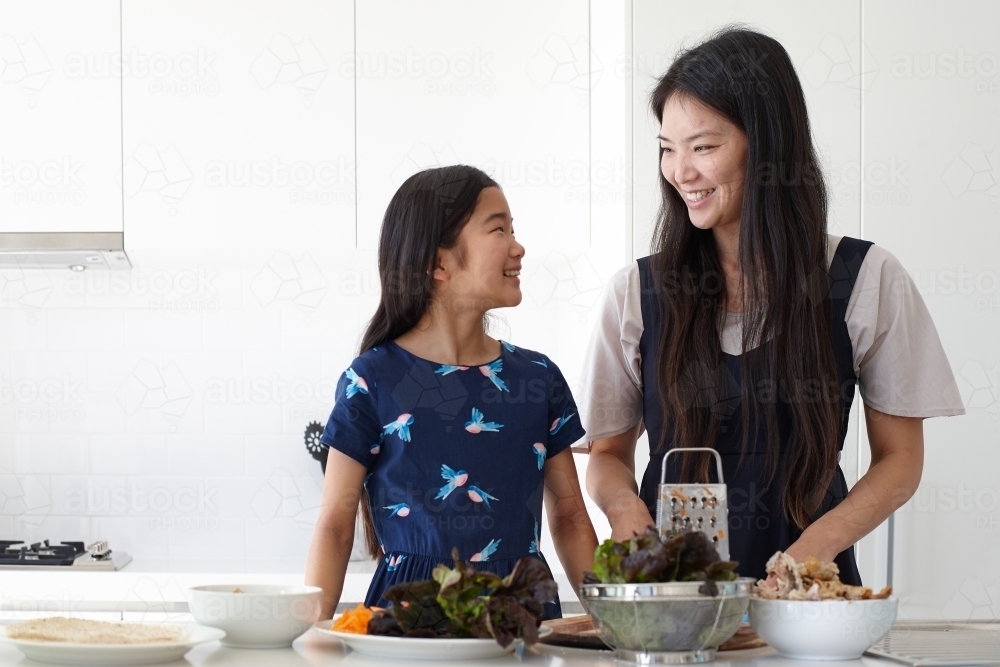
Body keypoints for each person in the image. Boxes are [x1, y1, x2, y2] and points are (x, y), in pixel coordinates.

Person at [579, 27, 965, 584]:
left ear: (768, 145)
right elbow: (607, 454)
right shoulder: (636, 293)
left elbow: (900, 461)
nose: (680, 171)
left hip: (808, 592)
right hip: (676, 600)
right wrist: (627, 516)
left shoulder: (865, 279)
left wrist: (808, 555)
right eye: (667, 148)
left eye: (703, 147)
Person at [306, 165, 598, 619]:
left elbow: (571, 519)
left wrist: (618, 629)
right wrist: (312, 637)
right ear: (438, 262)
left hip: (520, 619)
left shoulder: (539, 378)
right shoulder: (370, 380)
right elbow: (335, 526)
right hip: (408, 620)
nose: (518, 248)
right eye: (498, 228)